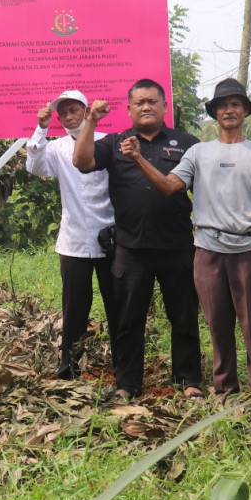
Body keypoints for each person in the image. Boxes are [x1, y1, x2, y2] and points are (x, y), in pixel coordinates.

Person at [127, 79, 251, 397]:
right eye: (223, 105)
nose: (229, 110)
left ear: (245, 111)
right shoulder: (199, 152)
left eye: (236, 104)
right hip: (207, 248)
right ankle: (225, 386)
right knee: (217, 321)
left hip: (247, 246)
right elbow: (170, 186)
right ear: (214, 112)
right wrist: (140, 159)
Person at [72, 78, 205, 403]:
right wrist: (90, 120)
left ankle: (188, 379)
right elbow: (81, 161)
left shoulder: (187, 143)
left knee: (184, 315)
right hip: (131, 247)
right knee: (128, 320)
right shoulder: (116, 142)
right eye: (139, 103)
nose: (146, 107)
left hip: (176, 245)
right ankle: (127, 383)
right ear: (129, 109)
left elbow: (202, 190)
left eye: (152, 102)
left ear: (164, 106)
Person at [25, 90, 116, 381]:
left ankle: (122, 364)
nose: (67, 116)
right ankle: (69, 367)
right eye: (62, 112)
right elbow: (34, 166)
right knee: (74, 306)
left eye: (73, 109)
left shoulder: (107, 142)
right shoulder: (56, 147)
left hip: (111, 237)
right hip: (74, 239)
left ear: (86, 110)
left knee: (117, 304)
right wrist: (40, 128)